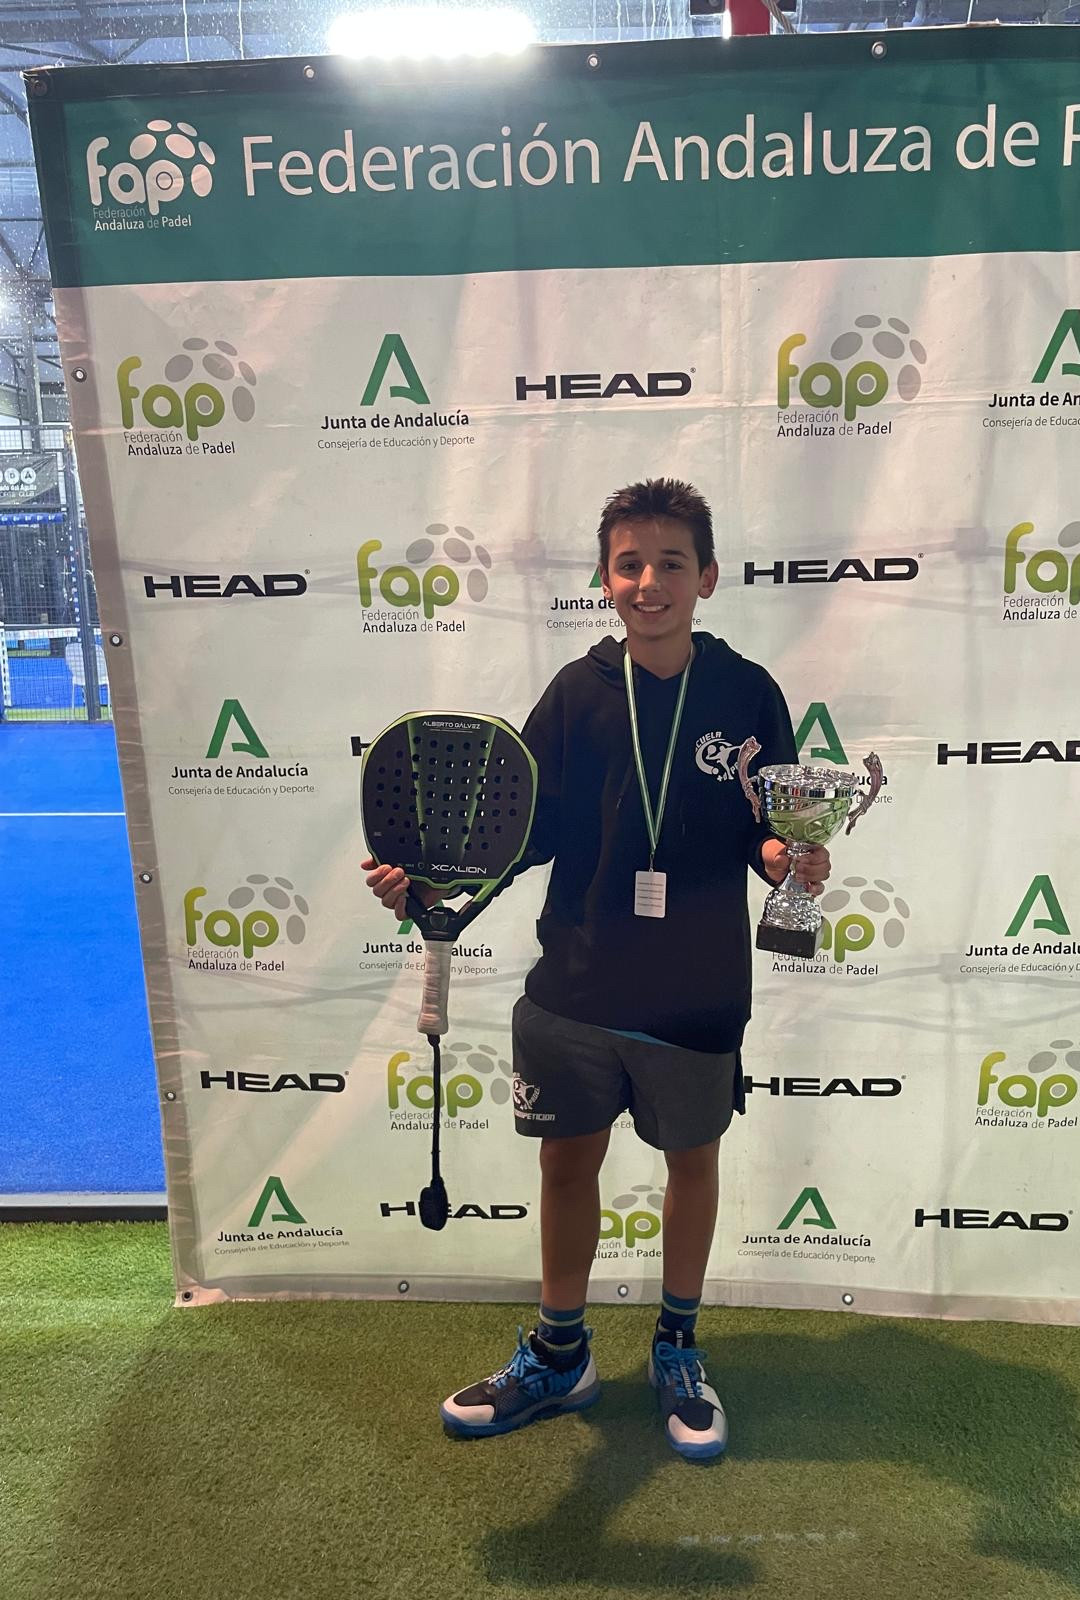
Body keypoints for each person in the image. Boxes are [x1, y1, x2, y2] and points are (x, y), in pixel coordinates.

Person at [361, 477, 830, 1462]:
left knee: (691, 1164)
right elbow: (519, 831)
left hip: (696, 992)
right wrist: (428, 883)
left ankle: (677, 1346)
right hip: (573, 987)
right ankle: (560, 1352)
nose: (649, 582)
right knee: (566, 1164)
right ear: (605, 581)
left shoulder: (748, 692)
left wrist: (787, 859)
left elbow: (766, 827)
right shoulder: (576, 693)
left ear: (707, 577)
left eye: (670, 563)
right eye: (629, 564)